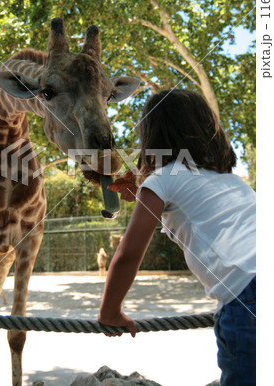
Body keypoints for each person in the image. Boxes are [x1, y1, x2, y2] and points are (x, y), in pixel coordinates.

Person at [97, 90, 256, 386]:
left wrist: (110, 311)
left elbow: (127, 254)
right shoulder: (232, 181)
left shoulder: (163, 180)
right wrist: (146, 188)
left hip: (248, 297)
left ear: (151, 137)